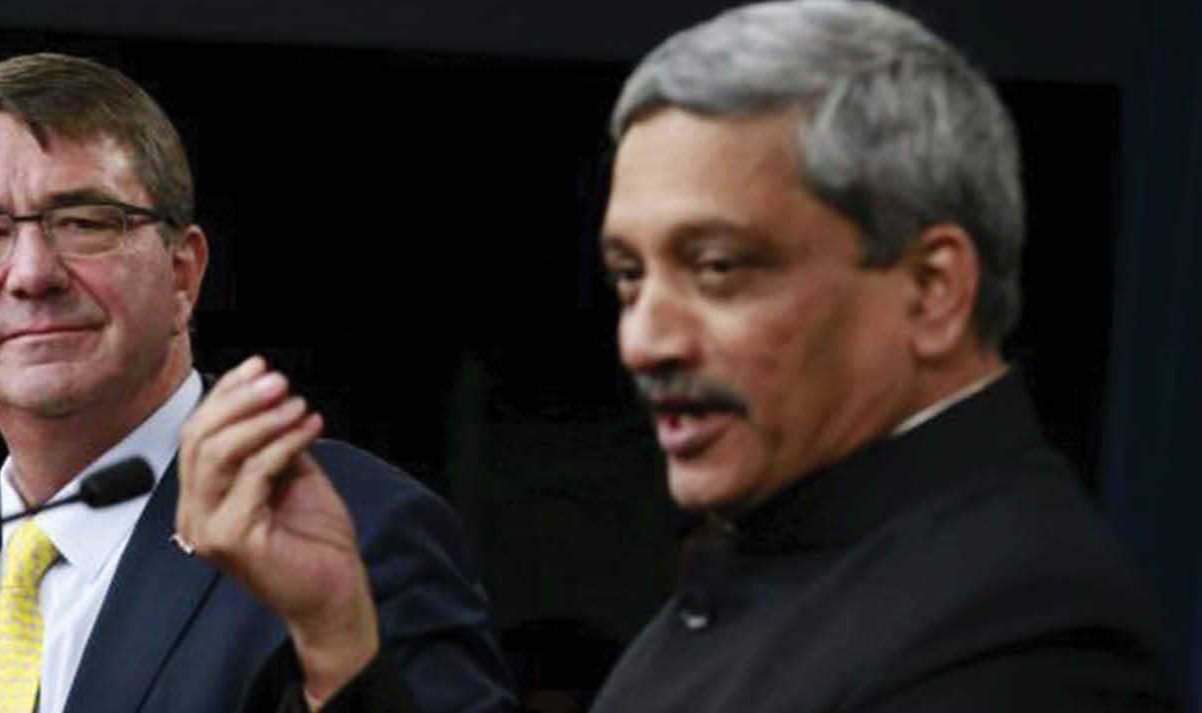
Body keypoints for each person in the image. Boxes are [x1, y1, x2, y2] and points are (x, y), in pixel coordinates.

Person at [234, 1, 1179, 711]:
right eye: (629, 277)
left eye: (718, 267)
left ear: (932, 289)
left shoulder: (1020, 636)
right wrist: (338, 634)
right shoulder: (805, 547)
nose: (644, 340)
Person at [0, 53, 513, 713]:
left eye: (84, 221)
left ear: (183, 272)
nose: (33, 274)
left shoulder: (355, 530)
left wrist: (334, 632)